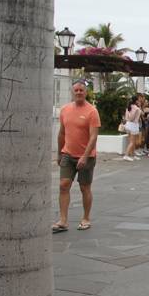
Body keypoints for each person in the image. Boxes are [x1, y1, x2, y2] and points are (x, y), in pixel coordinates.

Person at [53, 81, 101, 233]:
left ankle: (86, 218)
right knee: (63, 185)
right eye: (76, 90)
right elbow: (62, 133)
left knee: (84, 187)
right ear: (72, 92)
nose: (79, 92)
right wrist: (59, 153)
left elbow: (93, 137)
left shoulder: (92, 111)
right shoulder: (65, 110)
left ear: (86, 92)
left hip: (87, 156)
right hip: (67, 154)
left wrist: (85, 157)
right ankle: (63, 220)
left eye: (81, 90)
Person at [122, 97, 142, 162]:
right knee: (132, 142)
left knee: (131, 141)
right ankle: (126, 155)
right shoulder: (136, 108)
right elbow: (132, 118)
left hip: (128, 124)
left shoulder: (129, 107)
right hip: (133, 125)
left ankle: (132, 155)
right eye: (138, 100)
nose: (139, 101)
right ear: (136, 101)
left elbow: (126, 117)